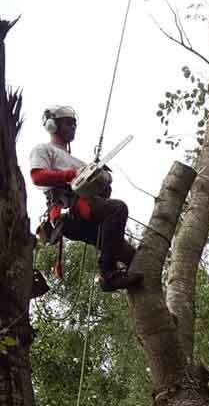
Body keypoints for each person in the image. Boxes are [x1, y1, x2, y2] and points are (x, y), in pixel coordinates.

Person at [30, 106, 139, 291]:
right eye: (68, 122)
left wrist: (101, 178)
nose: (73, 126)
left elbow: (102, 192)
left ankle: (127, 280)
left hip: (90, 214)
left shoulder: (80, 163)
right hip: (69, 210)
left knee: (131, 255)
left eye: (74, 123)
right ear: (52, 125)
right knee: (118, 208)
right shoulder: (44, 150)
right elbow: (37, 177)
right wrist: (69, 175)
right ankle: (107, 275)